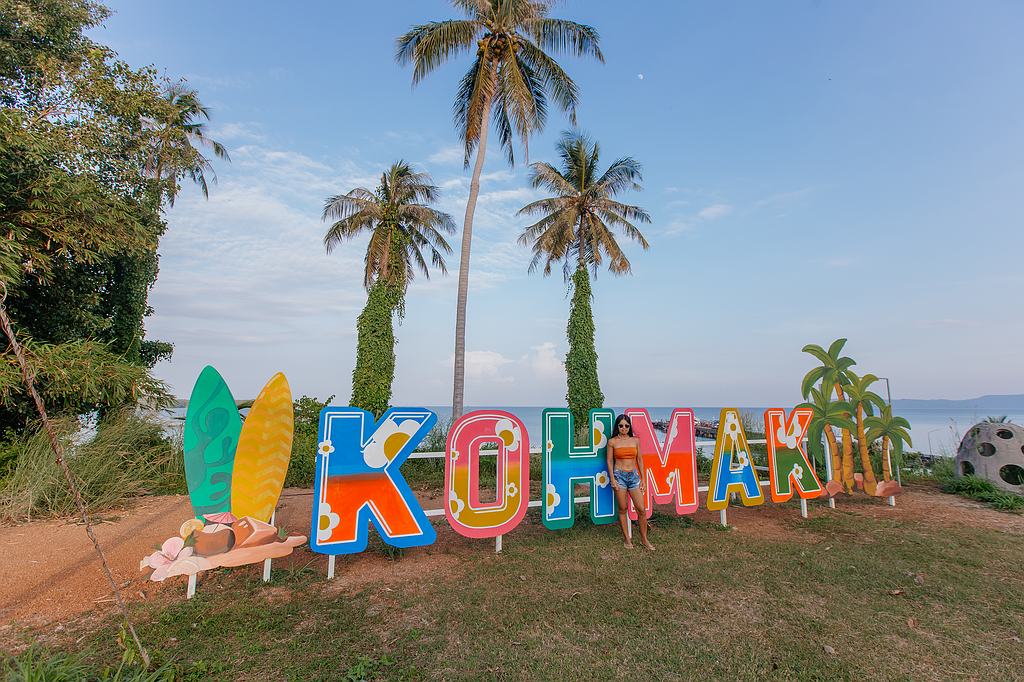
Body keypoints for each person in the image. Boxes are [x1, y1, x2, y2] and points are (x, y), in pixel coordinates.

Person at [606, 414, 655, 550]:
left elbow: (640, 460)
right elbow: (609, 461)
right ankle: (627, 539)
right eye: (621, 425)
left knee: (642, 510)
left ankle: (644, 540)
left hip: (633, 477)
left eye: (626, 426)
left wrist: (643, 479)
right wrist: (613, 479)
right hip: (619, 477)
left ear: (629, 427)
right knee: (623, 509)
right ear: (617, 426)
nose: (624, 428)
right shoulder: (612, 442)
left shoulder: (635, 441)